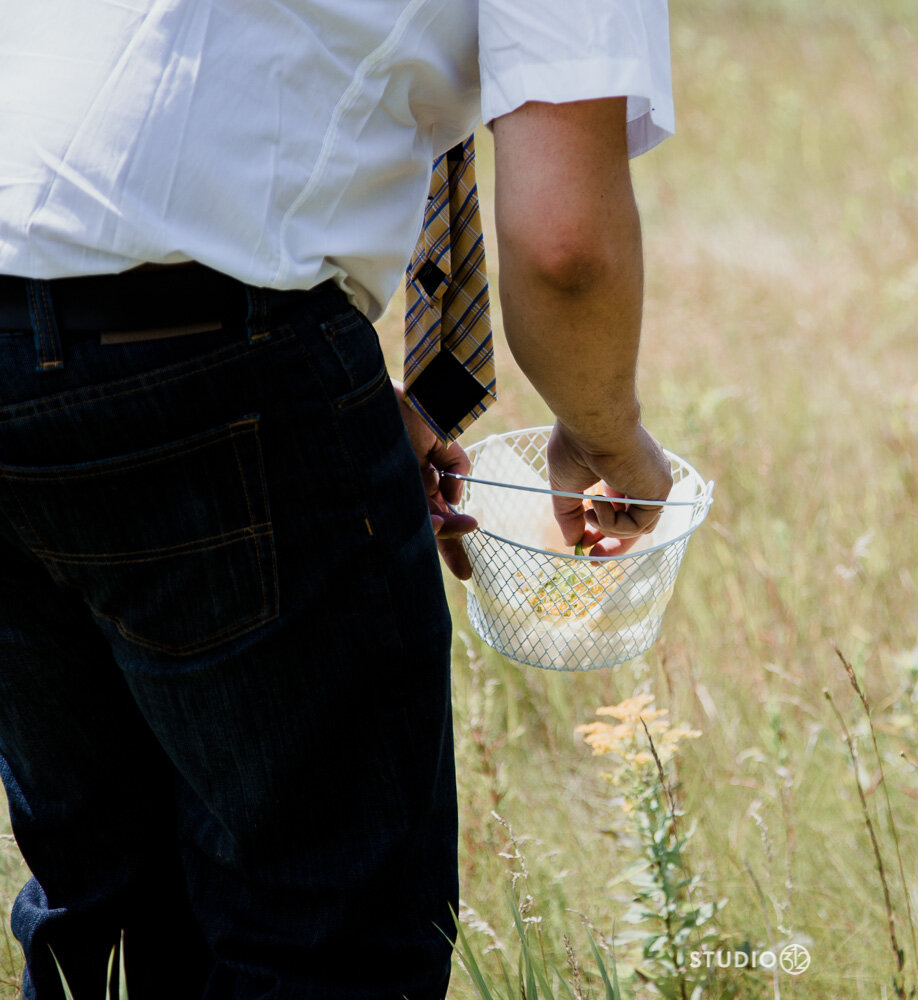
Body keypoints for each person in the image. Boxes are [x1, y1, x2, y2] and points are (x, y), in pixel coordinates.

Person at [0, 1, 674, 997]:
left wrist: (331, 393)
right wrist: (610, 440)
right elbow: (565, 245)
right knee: (329, 946)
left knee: (106, 906)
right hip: (207, 348)